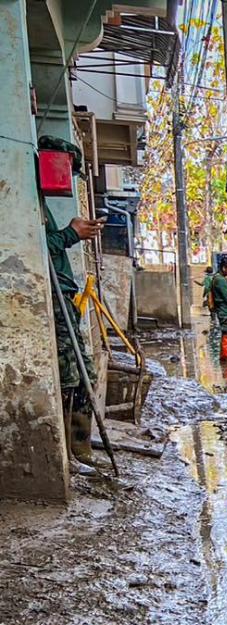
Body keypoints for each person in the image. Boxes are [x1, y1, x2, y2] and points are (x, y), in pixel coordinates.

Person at [37, 135, 103, 474]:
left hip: (65, 297)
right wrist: (69, 234)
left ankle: (82, 450)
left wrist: (71, 234)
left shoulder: (40, 202)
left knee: (84, 374)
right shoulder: (25, 199)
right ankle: (66, 455)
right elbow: (37, 245)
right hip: (52, 297)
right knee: (69, 376)